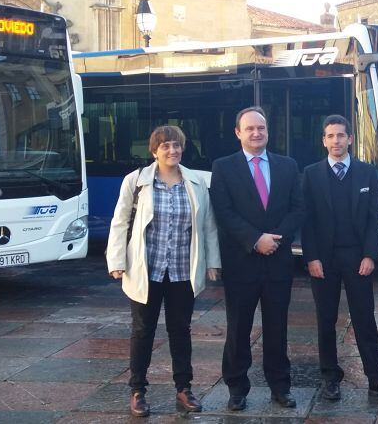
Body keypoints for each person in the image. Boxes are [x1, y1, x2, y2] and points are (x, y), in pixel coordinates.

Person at [106, 125, 221, 417]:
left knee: (180, 330)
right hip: (147, 268)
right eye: (165, 146)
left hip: (182, 269)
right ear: (154, 150)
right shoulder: (136, 181)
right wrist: (117, 261)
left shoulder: (195, 182)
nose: (172, 151)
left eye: (177, 145)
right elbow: (120, 221)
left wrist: (212, 262)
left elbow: (207, 225)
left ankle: (184, 388)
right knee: (142, 330)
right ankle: (137, 391)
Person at [301, 115, 378, 402]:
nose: (336, 141)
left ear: (350, 139)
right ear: (324, 140)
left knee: (364, 319)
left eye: (341, 135)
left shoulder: (366, 173)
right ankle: (329, 377)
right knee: (325, 320)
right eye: (330, 136)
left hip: (358, 258)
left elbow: (374, 219)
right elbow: (306, 221)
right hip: (323, 259)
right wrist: (311, 257)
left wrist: (371, 254)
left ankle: (376, 379)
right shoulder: (310, 174)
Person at [209, 106, 305, 411]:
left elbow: (298, 208)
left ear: (268, 131)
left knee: (277, 327)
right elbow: (223, 212)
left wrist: (274, 239)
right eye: (249, 128)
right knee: (238, 328)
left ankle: (280, 386)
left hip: (277, 261)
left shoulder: (287, 166)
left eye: (261, 128)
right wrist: (254, 240)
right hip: (241, 262)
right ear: (238, 132)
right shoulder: (223, 167)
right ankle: (237, 388)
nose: (256, 133)